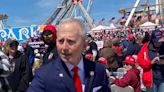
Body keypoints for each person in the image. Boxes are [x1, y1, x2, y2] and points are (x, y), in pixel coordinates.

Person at [27, 18, 110, 92]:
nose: (64, 47)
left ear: (84, 45)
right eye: (60, 41)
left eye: (70, 41)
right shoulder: (43, 75)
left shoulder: (99, 70)